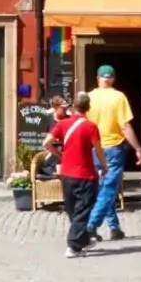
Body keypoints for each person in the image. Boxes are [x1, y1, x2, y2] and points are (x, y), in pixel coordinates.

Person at [83, 63, 140, 244]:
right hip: (113, 149)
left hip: (93, 149)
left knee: (103, 190)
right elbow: (124, 126)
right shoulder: (118, 97)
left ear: (98, 79)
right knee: (109, 190)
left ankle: (114, 228)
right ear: (113, 79)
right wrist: (138, 148)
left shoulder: (89, 97)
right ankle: (91, 226)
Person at [54, 93, 100, 257]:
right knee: (83, 209)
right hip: (85, 174)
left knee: (72, 208)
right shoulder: (91, 126)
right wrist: (105, 165)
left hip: (66, 173)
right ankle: (73, 246)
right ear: (88, 108)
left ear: (74, 106)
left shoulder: (63, 124)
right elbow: (98, 149)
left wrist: (60, 155)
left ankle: (84, 240)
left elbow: (46, 142)